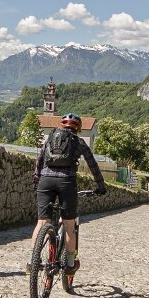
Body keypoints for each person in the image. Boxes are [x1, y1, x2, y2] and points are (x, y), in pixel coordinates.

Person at [32, 113, 106, 274]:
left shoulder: (50, 139)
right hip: (66, 182)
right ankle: (70, 265)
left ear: (62, 126)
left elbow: (39, 161)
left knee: (41, 222)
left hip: (45, 181)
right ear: (77, 128)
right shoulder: (79, 142)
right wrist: (101, 186)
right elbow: (93, 165)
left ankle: (33, 262)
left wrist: (37, 182)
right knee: (69, 225)